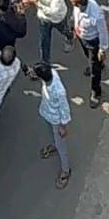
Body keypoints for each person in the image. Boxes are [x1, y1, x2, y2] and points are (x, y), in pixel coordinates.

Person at [29, 61, 72, 189]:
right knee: (52, 135)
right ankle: (54, 145)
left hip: (56, 120)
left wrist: (63, 126)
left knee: (61, 145)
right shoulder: (51, 73)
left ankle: (66, 170)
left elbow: (65, 109)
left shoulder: (59, 91)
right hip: (47, 112)